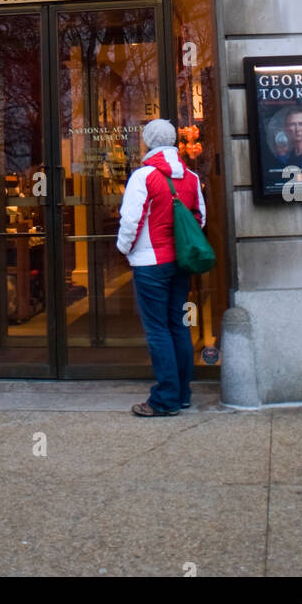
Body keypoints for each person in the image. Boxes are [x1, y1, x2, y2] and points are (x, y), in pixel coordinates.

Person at [116, 118, 206, 417]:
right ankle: (182, 394)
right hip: (180, 263)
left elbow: (131, 221)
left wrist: (124, 249)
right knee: (178, 327)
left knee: (157, 331)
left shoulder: (143, 176)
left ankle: (164, 399)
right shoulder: (191, 178)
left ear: (147, 142)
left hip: (150, 264)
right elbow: (199, 219)